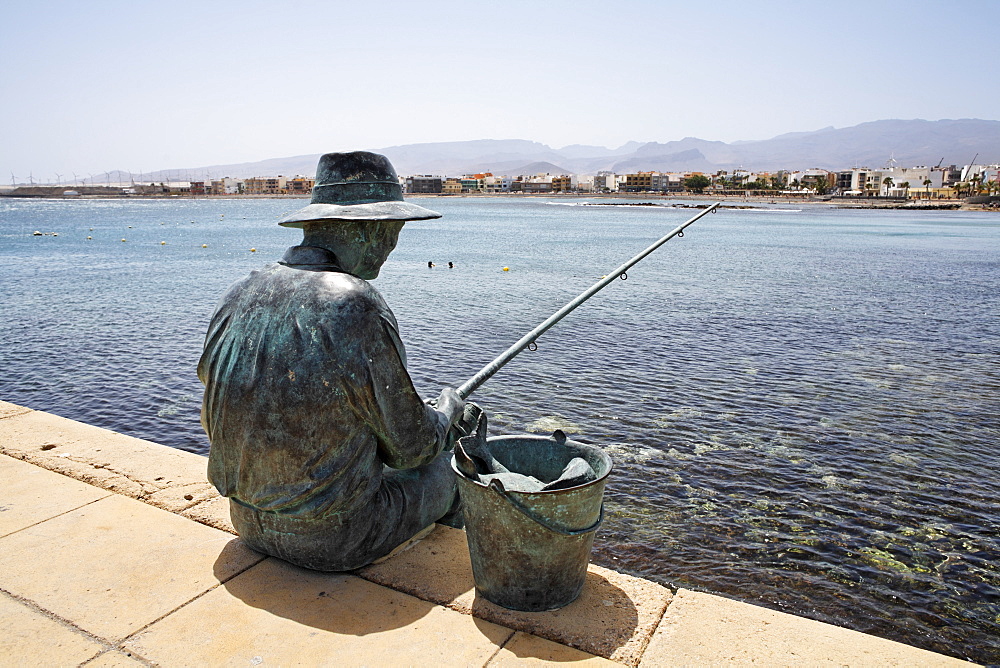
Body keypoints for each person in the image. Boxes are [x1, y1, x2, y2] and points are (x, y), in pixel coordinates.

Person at [198, 151, 479, 572]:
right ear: (369, 230)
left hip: (247, 524)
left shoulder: (240, 290)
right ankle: (454, 567)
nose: (389, 247)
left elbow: (216, 416)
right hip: (338, 539)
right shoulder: (354, 303)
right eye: (391, 232)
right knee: (460, 450)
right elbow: (411, 449)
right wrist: (447, 414)